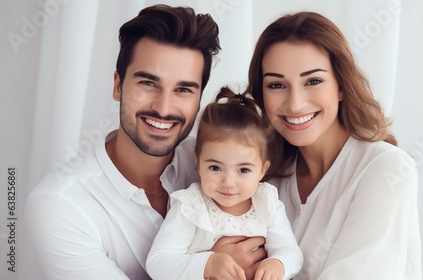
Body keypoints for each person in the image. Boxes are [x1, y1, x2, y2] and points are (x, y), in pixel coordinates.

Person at [25, 5, 265, 279]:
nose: (163, 108)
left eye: (183, 89)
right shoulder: (59, 205)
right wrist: (206, 268)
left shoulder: (224, 163)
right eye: (148, 83)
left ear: (199, 99)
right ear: (118, 85)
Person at [247, 11, 422, 280]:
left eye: (313, 81)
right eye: (277, 84)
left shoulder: (386, 169)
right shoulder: (263, 179)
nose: (295, 103)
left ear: (341, 85)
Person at [146, 87, 303, 280]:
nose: (228, 182)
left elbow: (290, 250)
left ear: (262, 170)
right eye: (215, 168)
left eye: (243, 170)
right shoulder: (191, 206)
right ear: (198, 162)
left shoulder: (267, 202)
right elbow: (157, 263)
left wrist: (279, 264)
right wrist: (207, 264)